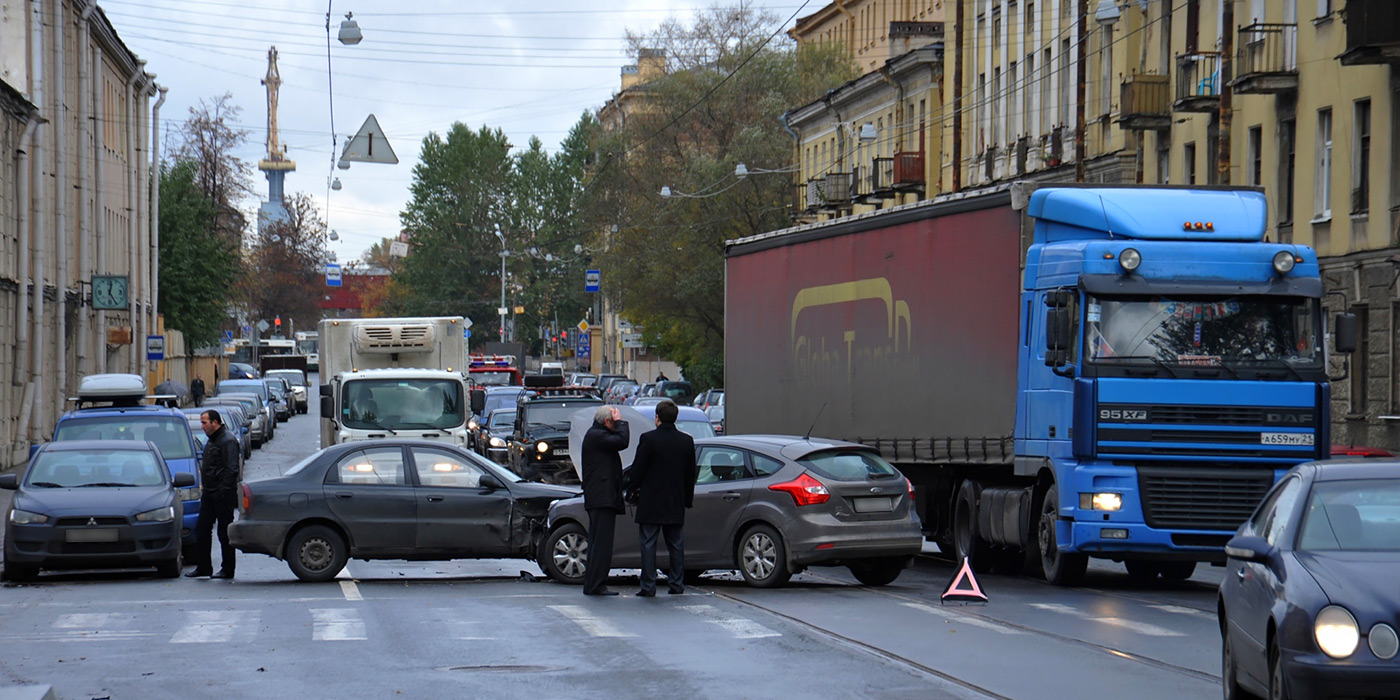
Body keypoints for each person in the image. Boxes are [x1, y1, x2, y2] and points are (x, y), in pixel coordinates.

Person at [625, 400, 698, 596]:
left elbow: (638, 469)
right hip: (675, 499)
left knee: (648, 543)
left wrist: (631, 490)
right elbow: (690, 473)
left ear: (657, 418)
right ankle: (676, 583)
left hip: (651, 499)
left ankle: (648, 585)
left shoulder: (648, 439)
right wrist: (687, 499)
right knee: (675, 544)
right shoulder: (686, 441)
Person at [580, 405, 629, 596]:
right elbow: (622, 441)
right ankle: (596, 584)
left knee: (598, 542)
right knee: (601, 543)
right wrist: (621, 422)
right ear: (607, 421)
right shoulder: (597, 436)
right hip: (602, 497)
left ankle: (594, 582)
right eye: (613, 422)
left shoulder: (596, 435)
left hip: (600, 496)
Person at [188, 410, 241, 579]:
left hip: (221, 494)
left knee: (224, 533)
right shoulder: (213, 440)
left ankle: (228, 568)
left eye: (204, 423)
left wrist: (222, 490)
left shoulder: (227, 440)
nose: (202, 426)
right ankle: (203, 566)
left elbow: (232, 469)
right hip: (210, 492)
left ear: (215, 422)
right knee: (202, 529)